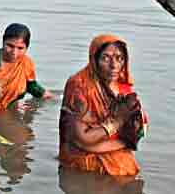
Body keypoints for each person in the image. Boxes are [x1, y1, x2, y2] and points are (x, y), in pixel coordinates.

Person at [59, 35, 147, 177]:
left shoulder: (123, 88)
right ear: (94, 59)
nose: (114, 65)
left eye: (119, 58)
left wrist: (123, 142)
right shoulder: (79, 86)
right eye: (106, 58)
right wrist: (118, 122)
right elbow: (82, 140)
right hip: (82, 159)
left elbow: (139, 132)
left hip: (116, 153)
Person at [0, 23, 53, 110]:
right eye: (10, 46)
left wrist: (51, 99)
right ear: (3, 41)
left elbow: (31, 86)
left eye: (20, 48)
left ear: (26, 48)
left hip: (8, 110)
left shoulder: (26, 63)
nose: (14, 52)